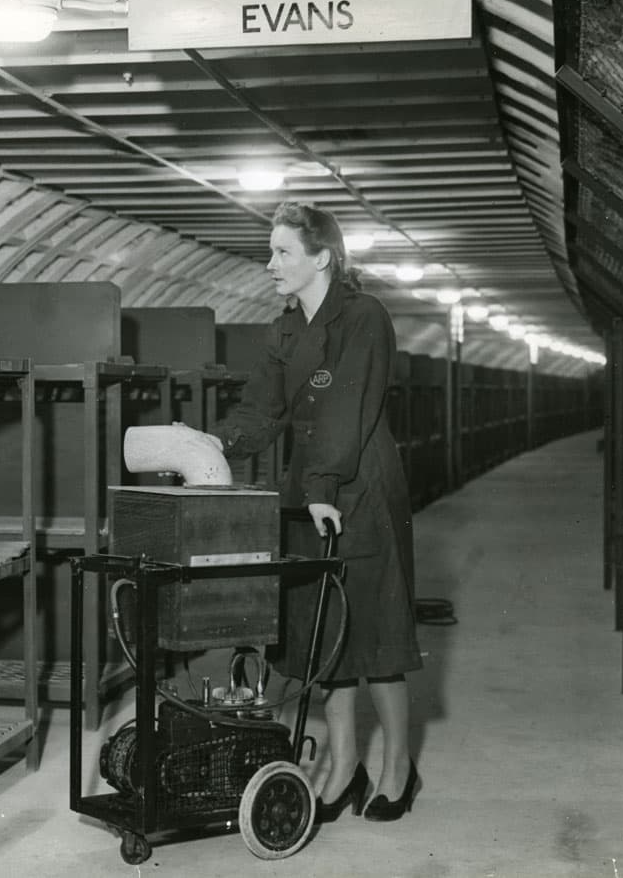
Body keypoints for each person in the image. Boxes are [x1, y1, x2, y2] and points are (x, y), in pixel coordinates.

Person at [202, 201, 422, 823]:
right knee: (325, 636)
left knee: (376, 634)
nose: (268, 263)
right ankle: (344, 764)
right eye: (270, 251)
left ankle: (399, 767)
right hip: (310, 489)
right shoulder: (285, 327)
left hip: (361, 485)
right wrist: (217, 442)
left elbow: (347, 409)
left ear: (322, 257)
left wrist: (323, 484)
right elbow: (261, 408)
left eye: (281, 252)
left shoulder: (364, 317)